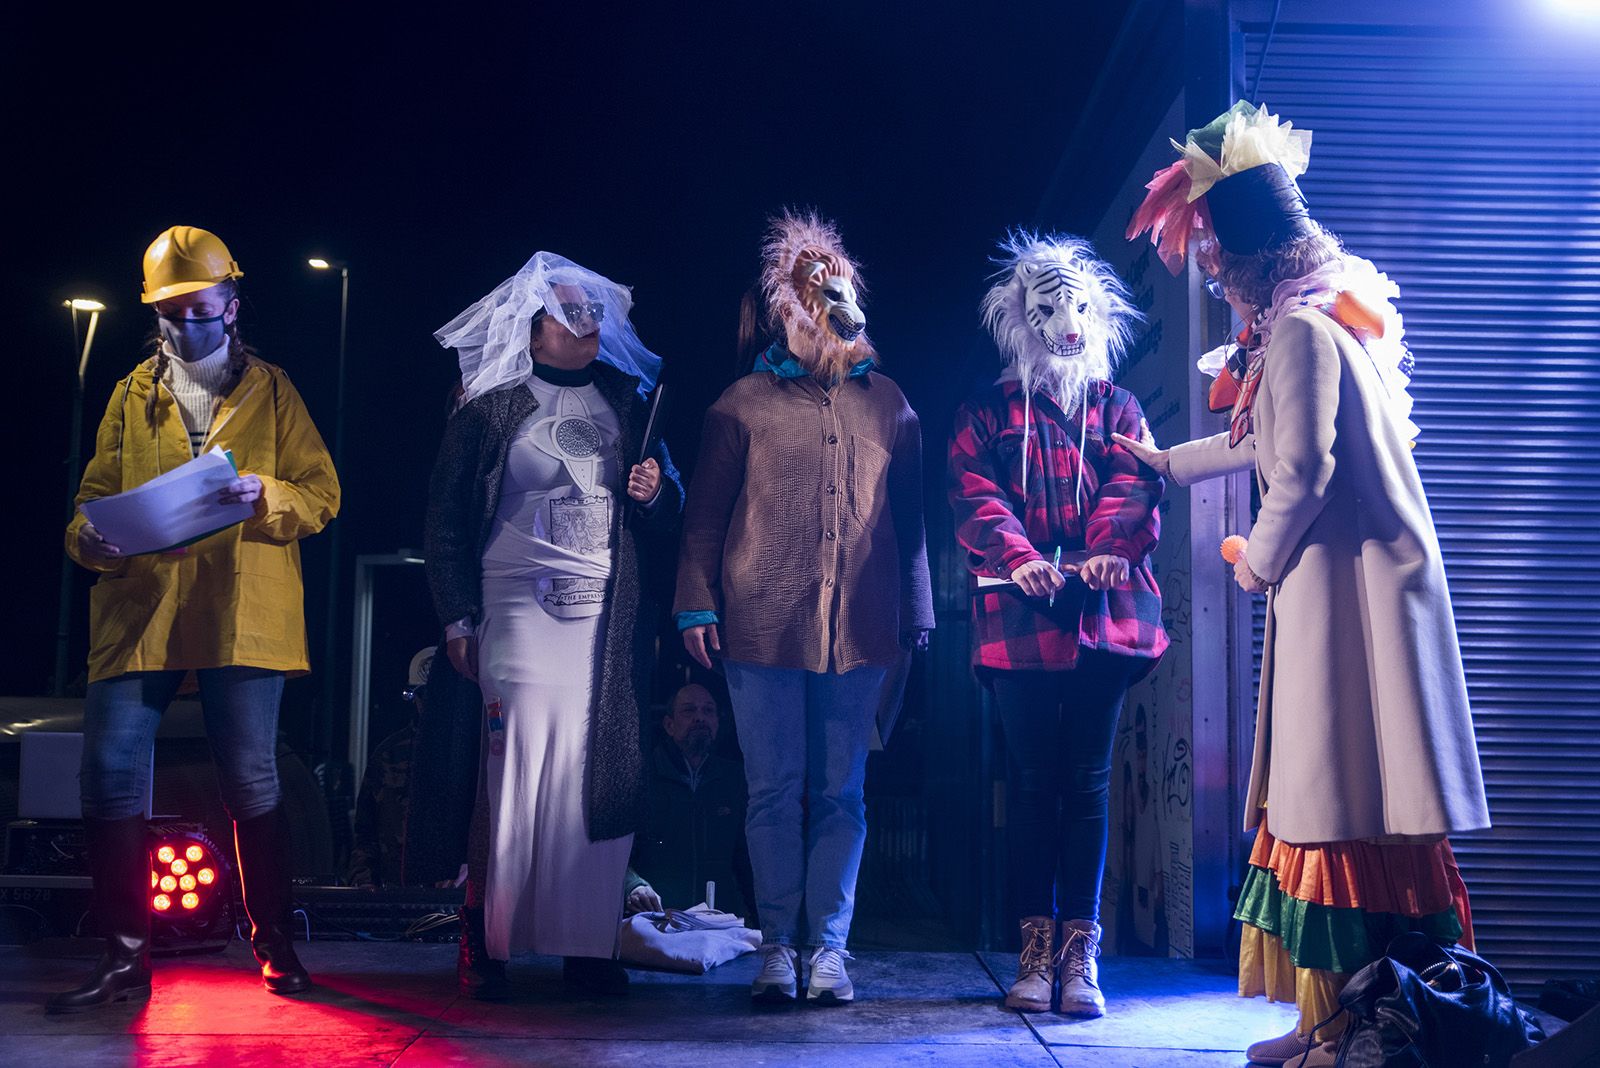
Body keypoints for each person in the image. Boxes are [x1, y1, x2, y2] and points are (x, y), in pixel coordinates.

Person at [1125, 102, 1489, 1066]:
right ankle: (1333, 1020)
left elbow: (1304, 473)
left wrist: (1255, 560)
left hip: (1346, 610)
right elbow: (1254, 441)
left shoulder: (1297, 340)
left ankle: (1354, 1024)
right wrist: (1163, 462)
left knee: (1334, 815)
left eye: (1217, 266)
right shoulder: (1320, 327)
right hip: (1353, 610)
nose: (1218, 283)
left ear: (1242, 268)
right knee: (1339, 811)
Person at [51, 226, 340, 1012]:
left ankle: (274, 945)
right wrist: (92, 536)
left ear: (232, 308)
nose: (186, 326)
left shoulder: (273, 391)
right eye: (171, 313)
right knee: (109, 776)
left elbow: (320, 494)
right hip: (142, 607)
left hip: (240, 607)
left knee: (250, 774)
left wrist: (265, 493)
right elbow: (88, 504)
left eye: (201, 310)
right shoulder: (129, 392)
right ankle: (124, 957)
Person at [675, 211, 935, 1005]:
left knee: (841, 794)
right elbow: (705, 520)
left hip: (861, 631)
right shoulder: (740, 405)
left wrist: (917, 611)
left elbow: (912, 523)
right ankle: (777, 945)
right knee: (771, 790)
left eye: (823, 311)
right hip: (758, 626)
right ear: (781, 314)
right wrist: (695, 604)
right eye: (797, 312)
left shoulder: (890, 405)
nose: (811, 326)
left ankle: (829, 949)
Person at [425, 251, 682, 1000]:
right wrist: (454, 618)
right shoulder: (489, 406)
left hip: (603, 619)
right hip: (514, 612)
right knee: (514, 772)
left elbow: (671, 505)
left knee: (591, 774)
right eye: (571, 311)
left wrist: (655, 490)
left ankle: (587, 945)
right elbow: (444, 524)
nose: (589, 321)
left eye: (595, 311)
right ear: (533, 329)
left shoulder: (627, 402)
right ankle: (491, 940)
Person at [948, 232, 1166, 1017]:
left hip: (1102, 617)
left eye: (1077, 304)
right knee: (1034, 786)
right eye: (1048, 306)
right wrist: (1017, 554)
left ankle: (1082, 958)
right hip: (1017, 617)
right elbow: (974, 489)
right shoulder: (987, 410)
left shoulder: (1119, 407)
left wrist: (1107, 550)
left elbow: (1135, 482)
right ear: (1021, 317)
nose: (1065, 321)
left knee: (1088, 784)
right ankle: (1033, 957)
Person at [623, 682, 755, 922]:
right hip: (655, 920)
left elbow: (746, 859)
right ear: (669, 725)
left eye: (708, 711)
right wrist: (632, 885)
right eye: (689, 710)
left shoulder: (735, 780)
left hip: (719, 924)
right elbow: (613, 850)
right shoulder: (641, 776)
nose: (699, 718)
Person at [348, 646, 436, 890]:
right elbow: (365, 835)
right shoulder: (388, 754)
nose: (428, 703)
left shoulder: (472, 754)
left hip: (453, 903)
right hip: (393, 895)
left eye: (437, 695)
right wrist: (364, 883)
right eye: (423, 695)